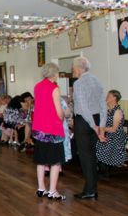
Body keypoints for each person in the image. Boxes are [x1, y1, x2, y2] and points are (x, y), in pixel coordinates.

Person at [72, 57, 106, 200]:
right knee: (91, 156)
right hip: (96, 119)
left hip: (85, 121)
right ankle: (91, 188)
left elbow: (83, 107)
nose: (73, 71)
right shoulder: (97, 80)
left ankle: (90, 190)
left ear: (78, 68)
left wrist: (93, 125)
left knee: (85, 157)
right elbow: (103, 105)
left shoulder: (78, 83)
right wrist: (100, 126)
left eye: (73, 68)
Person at [32, 63, 66, 200]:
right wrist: (63, 116)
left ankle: (41, 188)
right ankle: (52, 191)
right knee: (55, 161)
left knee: (41, 160)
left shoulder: (37, 86)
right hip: (52, 128)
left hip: (39, 127)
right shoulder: (54, 88)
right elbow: (59, 111)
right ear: (54, 74)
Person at [96, 90, 128, 175]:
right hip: (108, 134)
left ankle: (105, 170)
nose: (106, 98)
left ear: (114, 98)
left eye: (108, 96)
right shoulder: (108, 110)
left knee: (105, 145)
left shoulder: (117, 111)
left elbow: (114, 129)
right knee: (97, 143)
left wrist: (101, 128)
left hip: (116, 136)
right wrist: (101, 131)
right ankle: (102, 169)